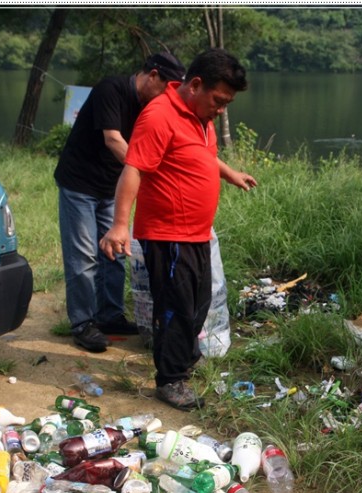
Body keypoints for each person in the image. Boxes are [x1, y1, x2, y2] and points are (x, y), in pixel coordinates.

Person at [98, 48, 257, 410]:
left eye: (227, 103)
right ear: (195, 85)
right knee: (176, 307)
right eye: (219, 101)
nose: (221, 109)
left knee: (199, 303)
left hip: (196, 233)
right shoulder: (159, 115)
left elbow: (202, 155)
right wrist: (119, 225)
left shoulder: (201, 116)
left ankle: (184, 357)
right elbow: (133, 169)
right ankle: (170, 379)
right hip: (168, 234)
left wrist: (229, 173)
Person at [54, 52, 186, 353]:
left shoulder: (152, 106)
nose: (167, 96)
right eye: (166, 87)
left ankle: (110, 316)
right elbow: (113, 139)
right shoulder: (111, 89)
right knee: (84, 257)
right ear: (153, 75)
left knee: (115, 253)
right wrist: (148, 172)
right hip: (79, 184)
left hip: (111, 186)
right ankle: (83, 323)